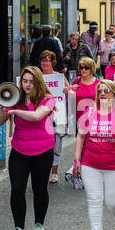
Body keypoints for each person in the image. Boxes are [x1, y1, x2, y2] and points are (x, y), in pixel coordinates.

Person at [0, 66, 55, 230]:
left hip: (43, 151)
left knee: (39, 189)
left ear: (38, 82)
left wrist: (14, 111)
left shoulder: (48, 99)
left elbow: (37, 116)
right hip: (20, 151)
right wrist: (5, 106)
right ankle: (18, 229)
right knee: (17, 188)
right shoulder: (15, 98)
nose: (28, 85)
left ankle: (39, 225)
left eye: (31, 81)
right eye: (25, 81)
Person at [73, 80, 115, 230]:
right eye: (100, 91)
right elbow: (80, 137)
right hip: (90, 164)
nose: (103, 93)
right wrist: (77, 160)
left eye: (106, 90)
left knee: (113, 201)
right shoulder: (89, 113)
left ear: (114, 93)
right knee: (94, 200)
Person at [39, 50, 70, 184]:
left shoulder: (59, 77)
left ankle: (54, 171)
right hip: (40, 115)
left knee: (56, 143)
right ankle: (42, 170)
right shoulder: (36, 76)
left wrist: (67, 91)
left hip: (58, 114)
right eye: (43, 60)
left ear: (53, 62)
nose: (45, 63)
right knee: (42, 145)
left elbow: (69, 92)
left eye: (47, 60)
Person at [68, 57, 100, 127]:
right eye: (81, 67)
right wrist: (70, 88)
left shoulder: (98, 83)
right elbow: (68, 94)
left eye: (86, 68)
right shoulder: (77, 80)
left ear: (91, 68)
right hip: (78, 119)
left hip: (93, 119)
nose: (83, 70)